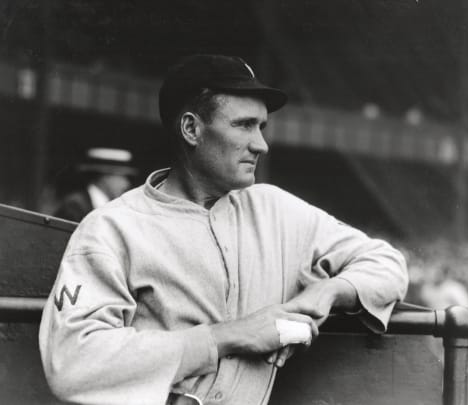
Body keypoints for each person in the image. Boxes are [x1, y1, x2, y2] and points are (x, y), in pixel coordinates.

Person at [39, 55, 409, 405]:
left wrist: (330, 291)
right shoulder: (112, 227)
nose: (261, 144)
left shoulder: (276, 209)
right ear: (191, 129)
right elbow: (72, 360)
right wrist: (227, 337)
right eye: (244, 125)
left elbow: (385, 262)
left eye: (261, 127)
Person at [54, 147, 138, 222]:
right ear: (105, 177)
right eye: (122, 177)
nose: (126, 183)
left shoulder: (116, 207)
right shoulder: (75, 206)